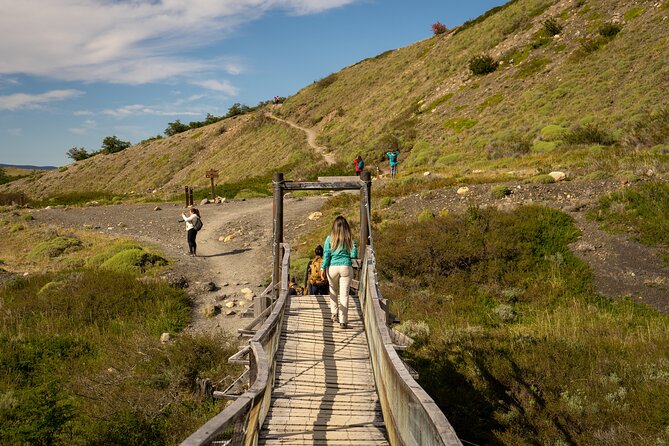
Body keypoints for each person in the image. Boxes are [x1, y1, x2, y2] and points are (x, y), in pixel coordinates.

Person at [320, 216, 357, 328]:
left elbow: (326, 255)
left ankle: (334, 313)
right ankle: (343, 321)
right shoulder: (350, 239)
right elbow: (353, 255)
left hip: (332, 268)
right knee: (344, 294)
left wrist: (322, 268)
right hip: (346, 267)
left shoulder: (329, 238)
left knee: (333, 291)